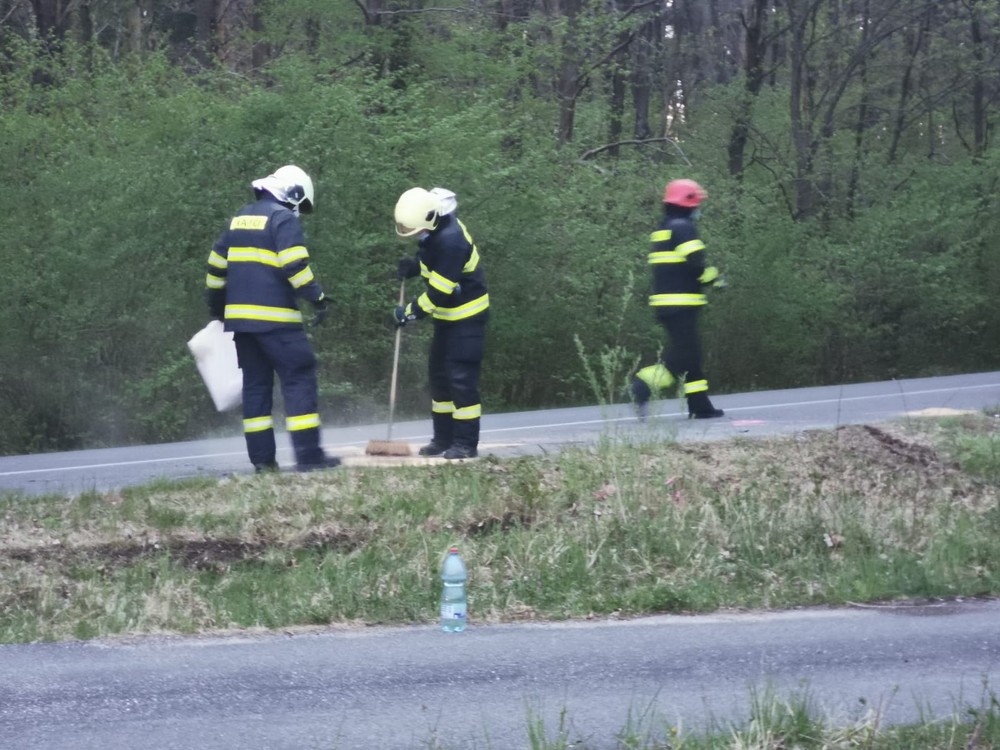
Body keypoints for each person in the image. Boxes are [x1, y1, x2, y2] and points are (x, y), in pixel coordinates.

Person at [205, 165, 341, 473]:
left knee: (255, 388)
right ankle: (309, 458)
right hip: (277, 322)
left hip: (242, 326)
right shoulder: (282, 219)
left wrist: (217, 309)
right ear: (292, 194)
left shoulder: (238, 219)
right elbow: (294, 265)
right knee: (299, 377)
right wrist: (317, 297)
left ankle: (263, 464)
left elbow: (215, 268)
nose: (299, 211)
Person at [393, 187, 489, 460]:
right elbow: (430, 262)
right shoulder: (434, 231)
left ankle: (465, 444)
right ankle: (442, 438)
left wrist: (409, 313)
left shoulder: (451, 240)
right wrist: (413, 267)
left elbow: (439, 292)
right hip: (447, 320)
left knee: (461, 381)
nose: (416, 235)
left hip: (467, 320)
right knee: (439, 380)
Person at [631, 178, 726, 420]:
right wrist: (714, 279)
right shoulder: (683, 227)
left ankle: (700, 407)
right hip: (680, 303)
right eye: (697, 204)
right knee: (682, 357)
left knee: (691, 358)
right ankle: (641, 386)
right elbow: (695, 263)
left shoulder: (664, 228)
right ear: (688, 203)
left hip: (669, 303)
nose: (698, 209)